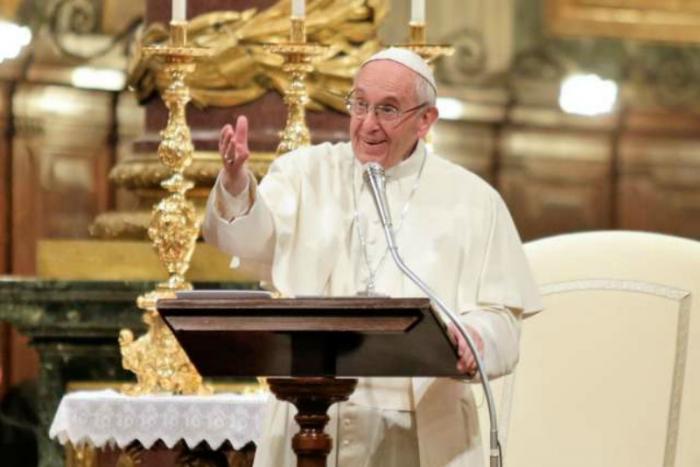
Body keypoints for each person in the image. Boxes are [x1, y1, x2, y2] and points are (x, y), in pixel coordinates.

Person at [203, 47, 542, 467]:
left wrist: (477, 337)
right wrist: (236, 184)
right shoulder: (306, 174)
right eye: (360, 104)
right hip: (311, 413)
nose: (367, 123)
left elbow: (503, 319)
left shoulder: (473, 201)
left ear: (425, 120)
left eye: (387, 109)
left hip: (422, 430)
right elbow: (247, 242)